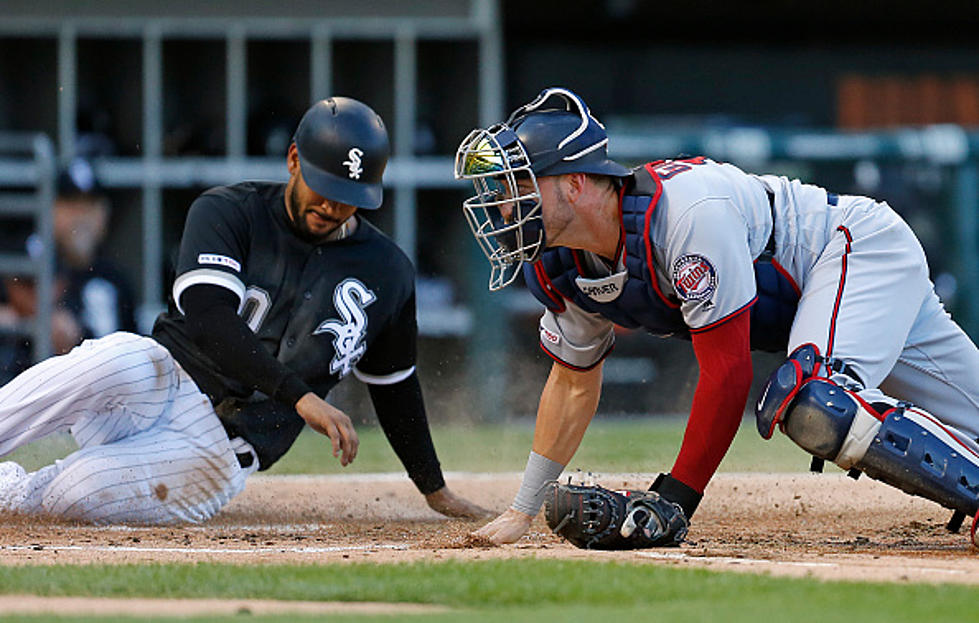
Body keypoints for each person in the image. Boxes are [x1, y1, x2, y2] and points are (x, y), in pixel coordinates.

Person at [454, 87, 979, 548]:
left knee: (816, 402)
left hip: (852, 250)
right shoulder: (560, 264)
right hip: (822, 302)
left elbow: (727, 374)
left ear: (574, 183)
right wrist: (523, 508)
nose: (505, 207)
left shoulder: (683, 215)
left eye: (520, 186)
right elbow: (571, 384)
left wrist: (674, 501)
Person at [0, 97, 489, 524]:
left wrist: (433, 487)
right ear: (294, 160)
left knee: (79, 492)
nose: (332, 206)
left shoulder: (389, 271)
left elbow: (396, 386)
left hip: (219, 448)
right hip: (162, 379)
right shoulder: (229, 210)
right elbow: (209, 315)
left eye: (348, 198)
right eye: (324, 187)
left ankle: (16, 493)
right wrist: (298, 395)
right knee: (114, 358)